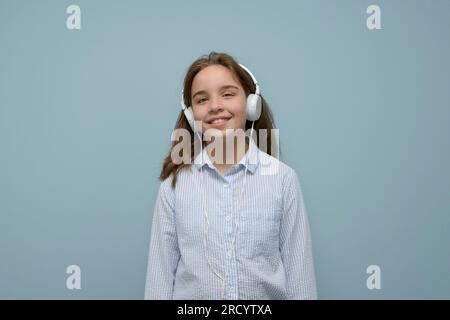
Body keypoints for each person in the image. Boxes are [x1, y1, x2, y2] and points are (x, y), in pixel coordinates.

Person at [144, 52, 317, 299]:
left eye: (227, 94)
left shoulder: (283, 180)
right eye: (202, 99)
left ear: (251, 105)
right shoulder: (174, 185)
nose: (215, 106)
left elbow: (301, 280)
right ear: (192, 116)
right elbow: (158, 281)